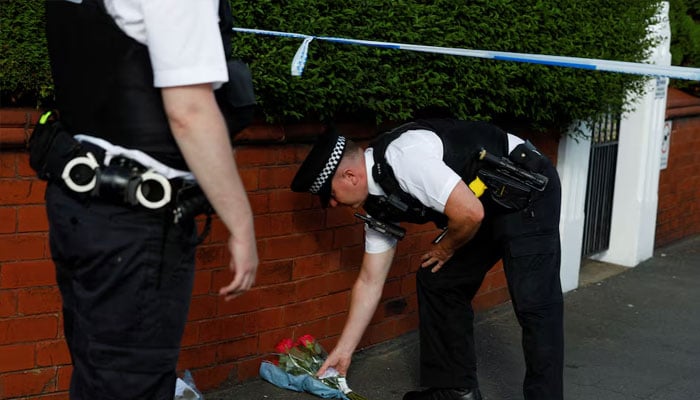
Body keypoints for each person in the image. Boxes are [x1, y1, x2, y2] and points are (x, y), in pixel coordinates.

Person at [33, 1, 258, 399]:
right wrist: (241, 224)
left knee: (97, 379)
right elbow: (188, 110)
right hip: (134, 223)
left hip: (80, 204)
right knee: (128, 386)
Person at [291, 118, 563, 400]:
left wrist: (445, 249)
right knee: (438, 280)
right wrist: (344, 351)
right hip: (482, 203)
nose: (333, 204)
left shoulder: (404, 157)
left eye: (330, 195)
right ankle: (456, 390)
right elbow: (370, 281)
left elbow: (469, 214)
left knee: (535, 303)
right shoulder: (376, 206)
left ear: (350, 176)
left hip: (525, 187)